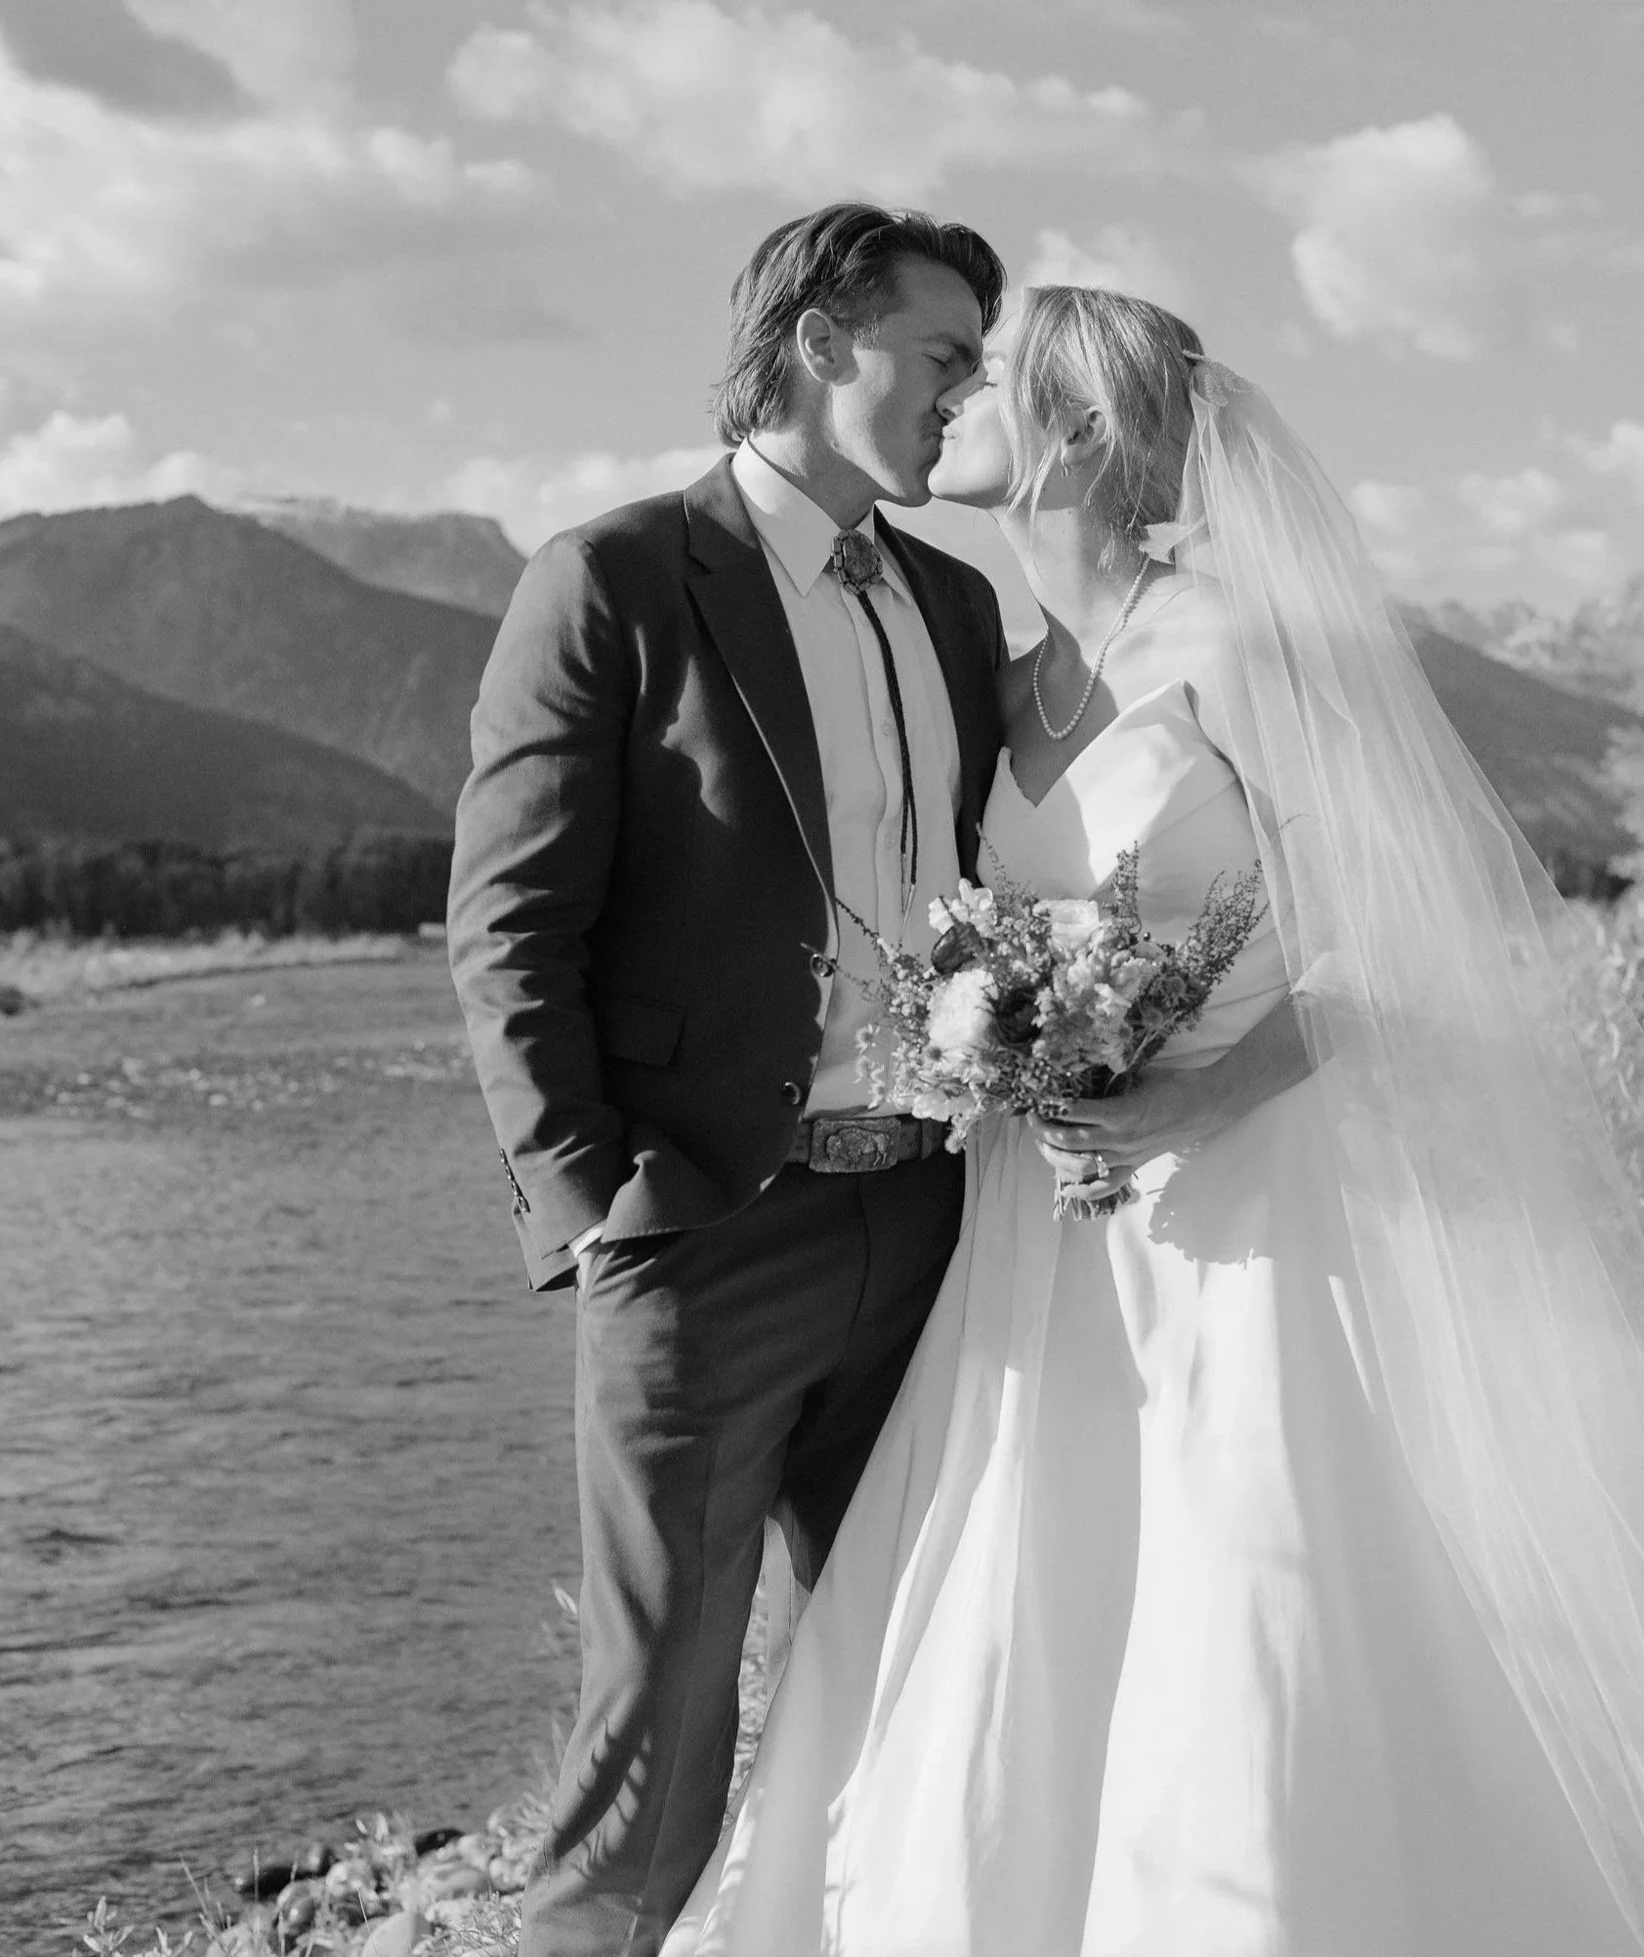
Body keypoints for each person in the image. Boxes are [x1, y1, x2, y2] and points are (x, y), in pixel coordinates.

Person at [663, 287, 1644, 1955]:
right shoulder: (1012, 668)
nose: (954, 397)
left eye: (988, 377)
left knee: (1246, 1582)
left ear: (1072, 433)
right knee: (1031, 1598)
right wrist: (994, 1042)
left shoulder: (1230, 648)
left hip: (1243, 1199)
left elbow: (1388, 936)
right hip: (1038, 1226)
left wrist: (1193, 1087)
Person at [445, 203, 1007, 1956]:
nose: (962, 398)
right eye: (940, 358)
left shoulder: (959, 605)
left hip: (937, 1230)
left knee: (929, 1689)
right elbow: (508, 929)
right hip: (706, 1240)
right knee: (653, 1759)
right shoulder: (611, 578)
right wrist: (596, 1215)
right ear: (823, 341)